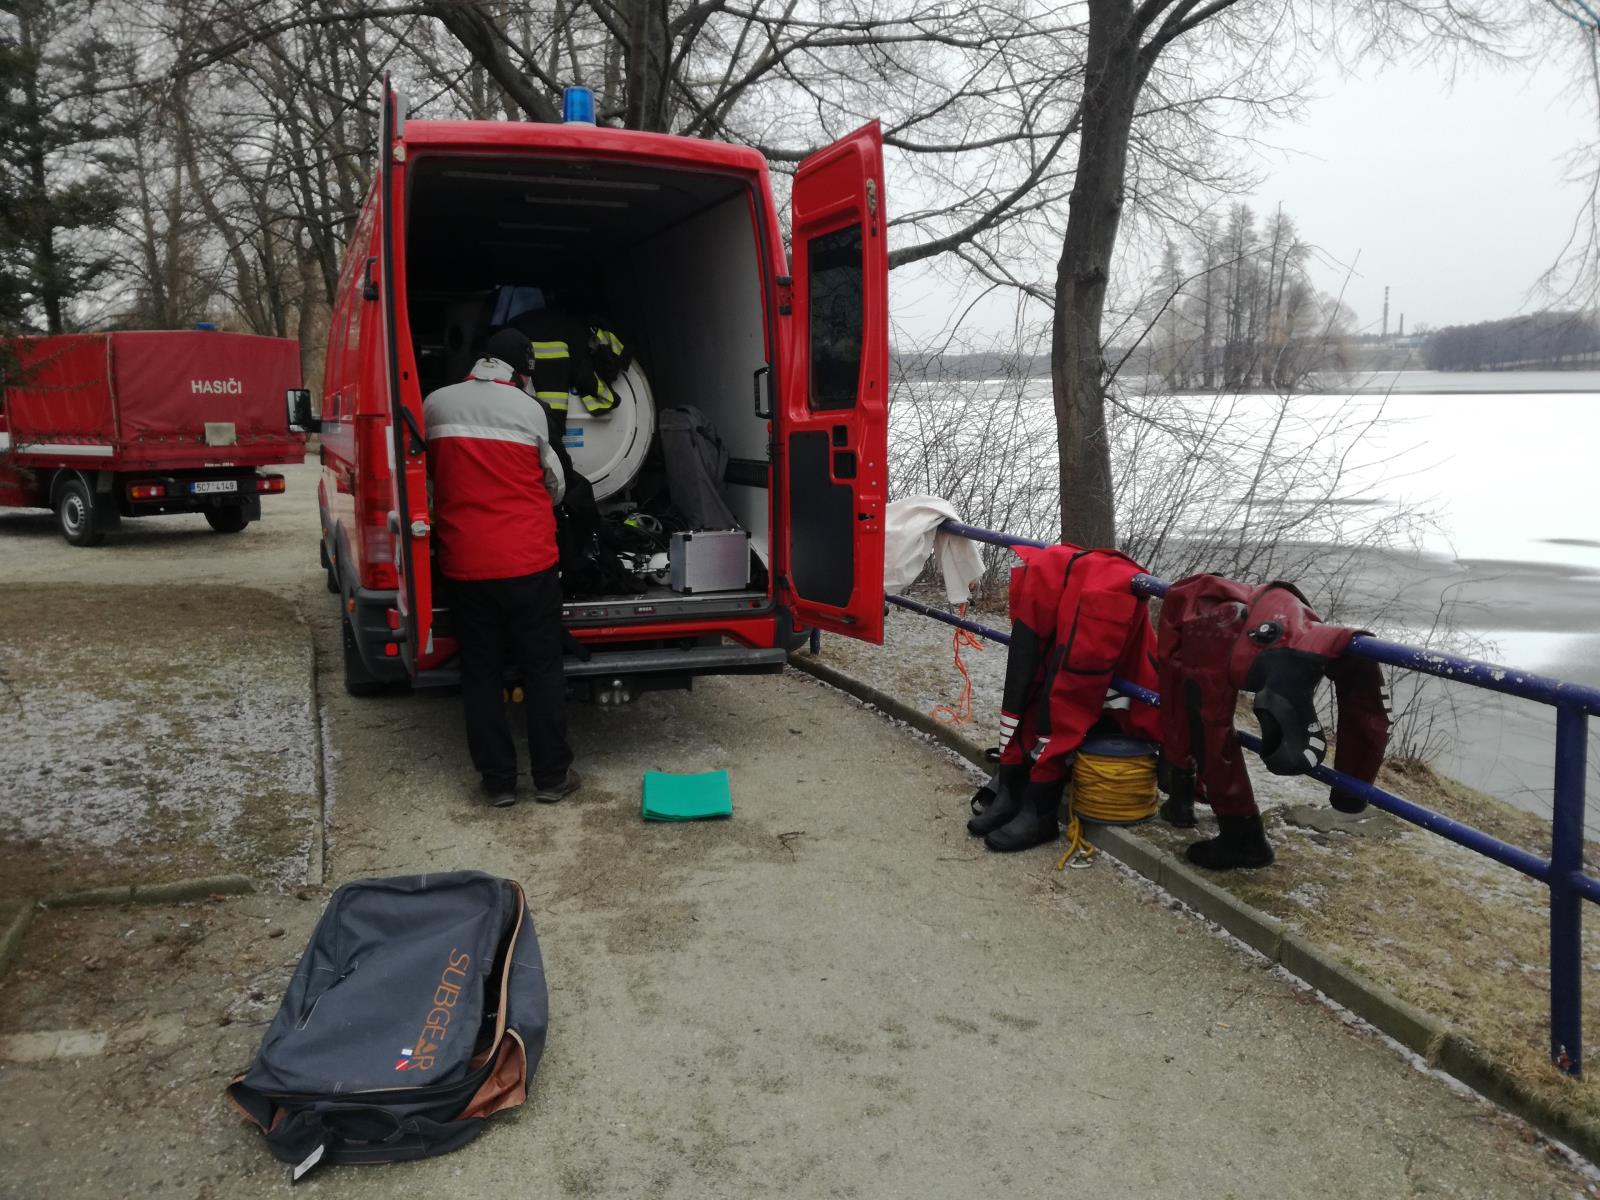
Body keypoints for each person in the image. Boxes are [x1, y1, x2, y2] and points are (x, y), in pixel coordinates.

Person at [422, 327, 580, 807]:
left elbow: (424, 479)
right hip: (529, 562)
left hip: (466, 564)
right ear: (521, 371)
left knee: (481, 673)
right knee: (542, 669)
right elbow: (556, 483)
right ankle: (551, 778)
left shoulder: (435, 404)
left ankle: (498, 783)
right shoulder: (529, 409)